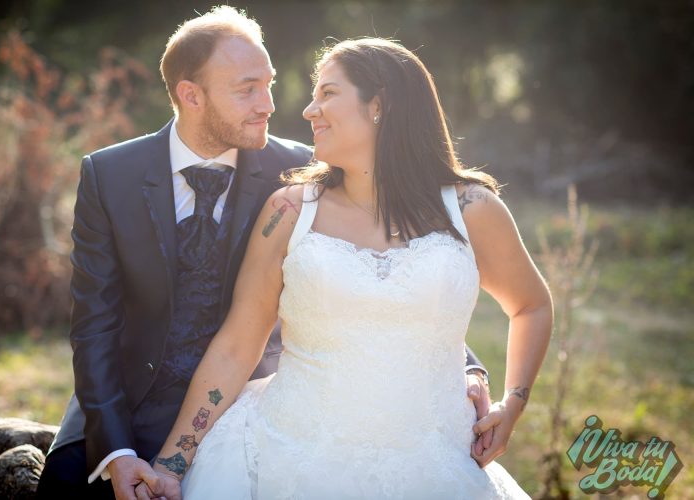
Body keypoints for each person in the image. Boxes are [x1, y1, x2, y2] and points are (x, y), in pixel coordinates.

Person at [37, 8, 492, 499]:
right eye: (247, 89)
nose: (269, 104)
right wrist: (117, 451)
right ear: (191, 95)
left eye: (269, 84)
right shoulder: (110, 175)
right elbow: (94, 326)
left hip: (249, 404)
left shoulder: (303, 170)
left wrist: (468, 366)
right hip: (128, 405)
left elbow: (390, 260)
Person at [140, 37, 553, 500]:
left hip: (436, 465)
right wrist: (171, 465)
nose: (308, 110)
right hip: (282, 459)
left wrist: (513, 405)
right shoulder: (289, 212)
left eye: (328, 93)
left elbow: (531, 305)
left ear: (379, 105)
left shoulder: (473, 208)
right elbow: (236, 348)